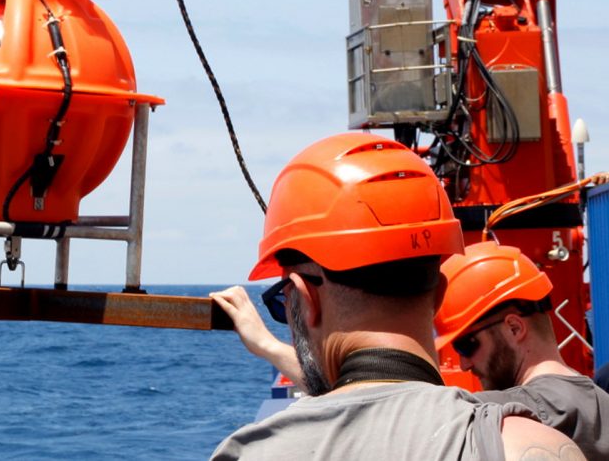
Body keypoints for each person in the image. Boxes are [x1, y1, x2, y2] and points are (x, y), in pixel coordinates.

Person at [209, 132, 582, 460]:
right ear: (438, 295)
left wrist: (265, 346)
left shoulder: (248, 453)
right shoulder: (530, 448)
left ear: (307, 301)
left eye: (282, 304)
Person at [434, 241, 609, 460]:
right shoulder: (601, 402)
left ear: (514, 328)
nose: (463, 364)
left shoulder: (522, 410)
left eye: (466, 345)